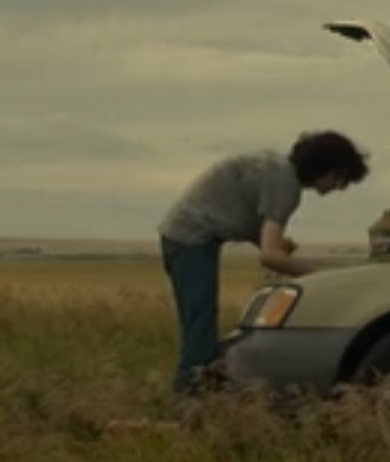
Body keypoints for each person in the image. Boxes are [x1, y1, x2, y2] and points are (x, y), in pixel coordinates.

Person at [153, 130, 371, 399]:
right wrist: (324, 277)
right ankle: (189, 399)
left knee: (201, 322)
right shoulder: (285, 186)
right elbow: (270, 256)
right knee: (200, 326)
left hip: (185, 236)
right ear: (327, 169)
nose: (339, 187)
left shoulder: (276, 169)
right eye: (340, 178)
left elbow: (253, 227)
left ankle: (201, 391)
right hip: (192, 239)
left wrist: (283, 252)